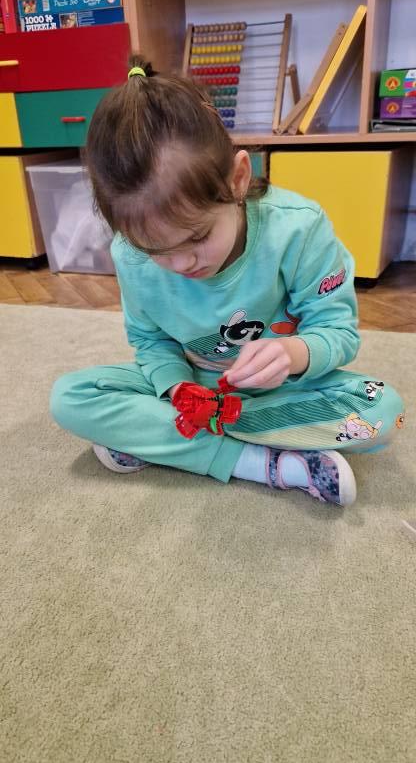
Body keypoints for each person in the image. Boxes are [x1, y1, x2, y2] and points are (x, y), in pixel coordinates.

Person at [50, 57, 405, 507]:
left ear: (238, 179)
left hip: (281, 387)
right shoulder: (129, 254)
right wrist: (178, 389)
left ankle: (158, 437)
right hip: (195, 384)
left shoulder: (297, 227)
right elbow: (150, 341)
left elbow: (337, 331)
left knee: (382, 411)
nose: (181, 263)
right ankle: (260, 462)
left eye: (198, 237)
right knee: (70, 397)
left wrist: (292, 353)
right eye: (154, 249)